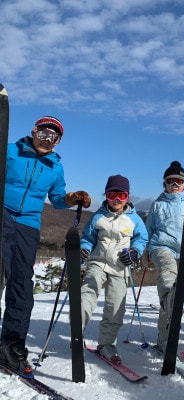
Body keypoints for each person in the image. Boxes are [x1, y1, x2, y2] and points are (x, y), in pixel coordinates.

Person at [0, 116, 91, 375]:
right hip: (3, 212)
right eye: (43, 132)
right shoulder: (10, 150)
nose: (47, 138)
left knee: (22, 282)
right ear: (34, 131)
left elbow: (58, 198)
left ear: (58, 141)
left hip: (29, 223)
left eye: (53, 136)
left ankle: (11, 342)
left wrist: (73, 197)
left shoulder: (55, 167)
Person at [80, 175, 148, 363]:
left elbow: (141, 239)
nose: (117, 200)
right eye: (112, 195)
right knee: (88, 293)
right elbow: (87, 237)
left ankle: (107, 344)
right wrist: (85, 248)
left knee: (116, 305)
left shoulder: (134, 219)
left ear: (128, 196)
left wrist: (135, 252)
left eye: (121, 195)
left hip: (120, 266)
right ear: (106, 195)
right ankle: (78, 330)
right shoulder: (98, 216)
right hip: (98, 262)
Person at [146, 161, 184, 353]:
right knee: (168, 282)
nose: (175, 185)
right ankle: (167, 333)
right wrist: (147, 249)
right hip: (162, 247)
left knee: (173, 298)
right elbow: (149, 229)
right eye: (171, 181)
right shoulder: (157, 205)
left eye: (179, 181)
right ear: (164, 184)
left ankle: (164, 337)